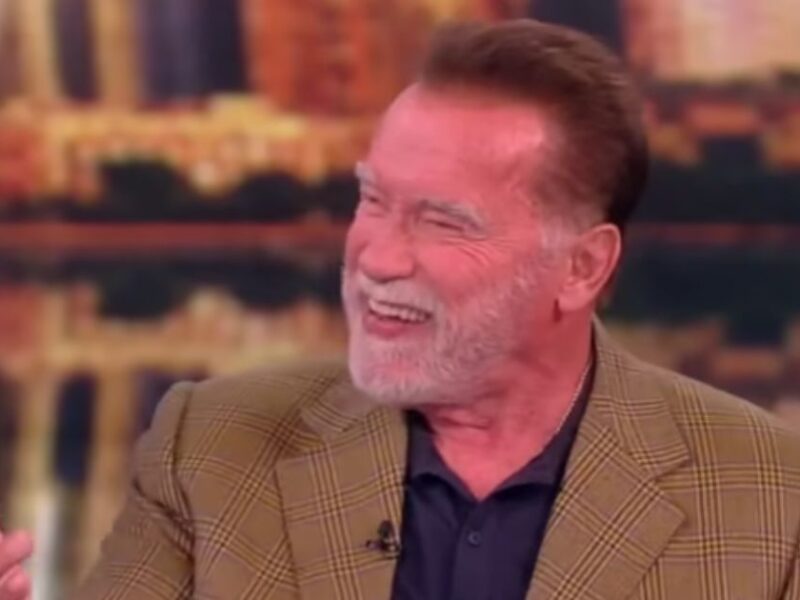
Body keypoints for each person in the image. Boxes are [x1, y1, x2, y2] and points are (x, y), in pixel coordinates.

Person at [3, 19, 800, 600]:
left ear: (582, 266)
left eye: (444, 222)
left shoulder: (772, 497)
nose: (376, 257)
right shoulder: (210, 446)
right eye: (372, 200)